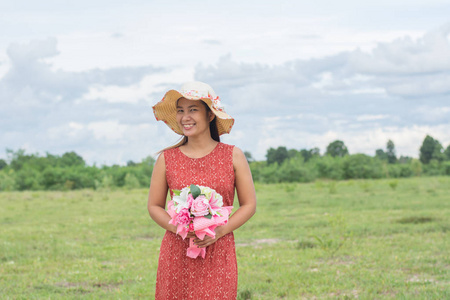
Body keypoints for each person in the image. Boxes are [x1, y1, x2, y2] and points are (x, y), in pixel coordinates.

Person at [147, 81, 257, 299]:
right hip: (177, 249)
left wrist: (219, 232)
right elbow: (154, 206)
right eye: (180, 111)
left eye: (193, 110)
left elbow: (249, 205)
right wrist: (179, 228)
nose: (185, 117)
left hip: (219, 249)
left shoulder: (233, 155)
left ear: (210, 115)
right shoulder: (166, 158)